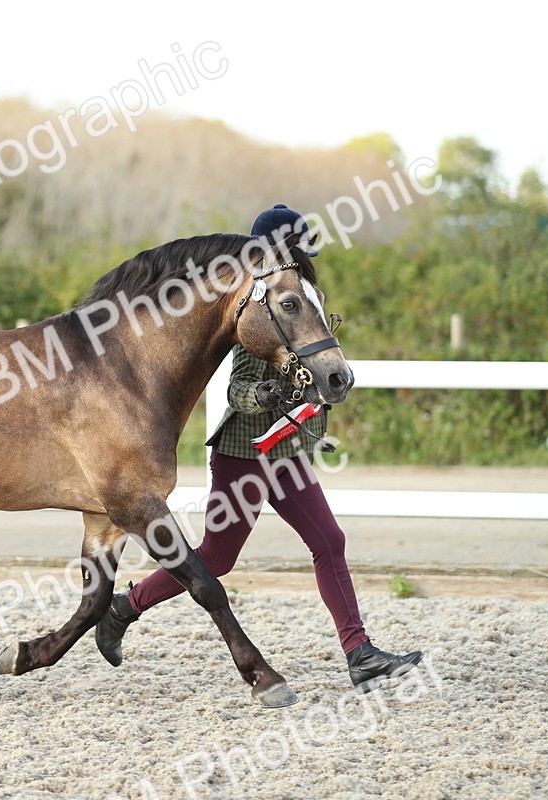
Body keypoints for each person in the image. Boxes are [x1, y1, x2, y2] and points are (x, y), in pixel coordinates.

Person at [94, 204, 423, 692]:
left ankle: (360, 654)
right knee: (217, 558)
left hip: (286, 451)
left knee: (329, 541)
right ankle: (125, 606)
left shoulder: (301, 296)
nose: (299, 261)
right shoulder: (257, 309)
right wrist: (264, 394)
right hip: (244, 453)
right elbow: (238, 390)